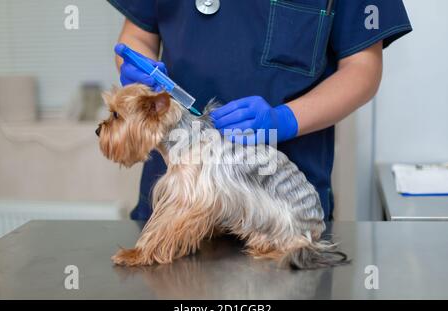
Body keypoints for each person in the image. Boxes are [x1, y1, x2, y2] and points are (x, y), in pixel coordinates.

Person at [107, 0, 412, 221]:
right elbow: (136, 37)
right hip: (175, 203)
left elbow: (362, 71)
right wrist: (139, 69)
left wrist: (285, 120)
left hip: (282, 209)